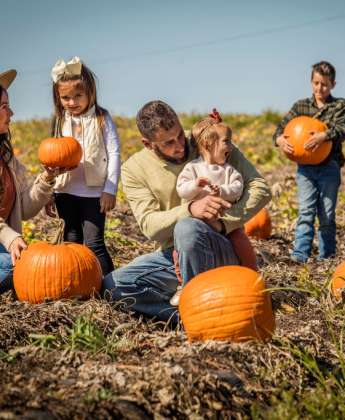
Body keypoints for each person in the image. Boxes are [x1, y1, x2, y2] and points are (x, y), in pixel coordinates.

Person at [102, 100, 271, 324]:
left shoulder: (206, 138)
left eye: (180, 135)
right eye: (169, 143)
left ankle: (200, 305)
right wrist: (190, 209)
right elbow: (150, 226)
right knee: (113, 285)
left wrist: (224, 223)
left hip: (219, 246)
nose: (181, 146)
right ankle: (186, 318)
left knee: (187, 228)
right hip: (174, 257)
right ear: (147, 144)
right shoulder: (133, 170)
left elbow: (260, 186)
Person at [170, 108, 257, 306]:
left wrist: (223, 190)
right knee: (179, 249)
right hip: (199, 224)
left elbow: (238, 188)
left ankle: (253, 277)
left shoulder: (229, 170)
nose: (231, 146)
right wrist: (195, 186)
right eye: (226, 141)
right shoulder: (193, 169)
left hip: (225, 225)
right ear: (209, 143)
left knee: (242, 242)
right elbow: (182, 189)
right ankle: (184, 284)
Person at [46, 57, 121, 276]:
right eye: (65, 97)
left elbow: (114, 153)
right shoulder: (59, 120)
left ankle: (108, 285)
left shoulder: (102, 118)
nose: (72, 102)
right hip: (64, 191)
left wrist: (110, 189)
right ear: (58, 98)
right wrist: (49, 192)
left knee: (95, 242)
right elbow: (52, 155)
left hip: (94, 193)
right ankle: (77, 282)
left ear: (91, 92)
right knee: (71, 241)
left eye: (78, 96)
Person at [273, 61, 345, 263]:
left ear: (333, 84)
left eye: (324, 84)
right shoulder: (300, 107)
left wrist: (324, 136)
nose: (319, 88)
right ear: (311, 82)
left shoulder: (339, 106)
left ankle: (327, 258)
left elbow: (343, 129)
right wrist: (280, 140)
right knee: (306, 212)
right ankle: (300, 256)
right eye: (316, 83)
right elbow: (281, 128)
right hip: (305, 169)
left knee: (326, 214)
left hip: (329, 168)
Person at [0, 69, 64, 293]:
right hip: (3, 243)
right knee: (13, 268)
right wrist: (9, 238)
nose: (12, 112)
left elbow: (24, 209)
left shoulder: (7, 160)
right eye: (4, 106)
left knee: (23, 266)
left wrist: (47, 178)